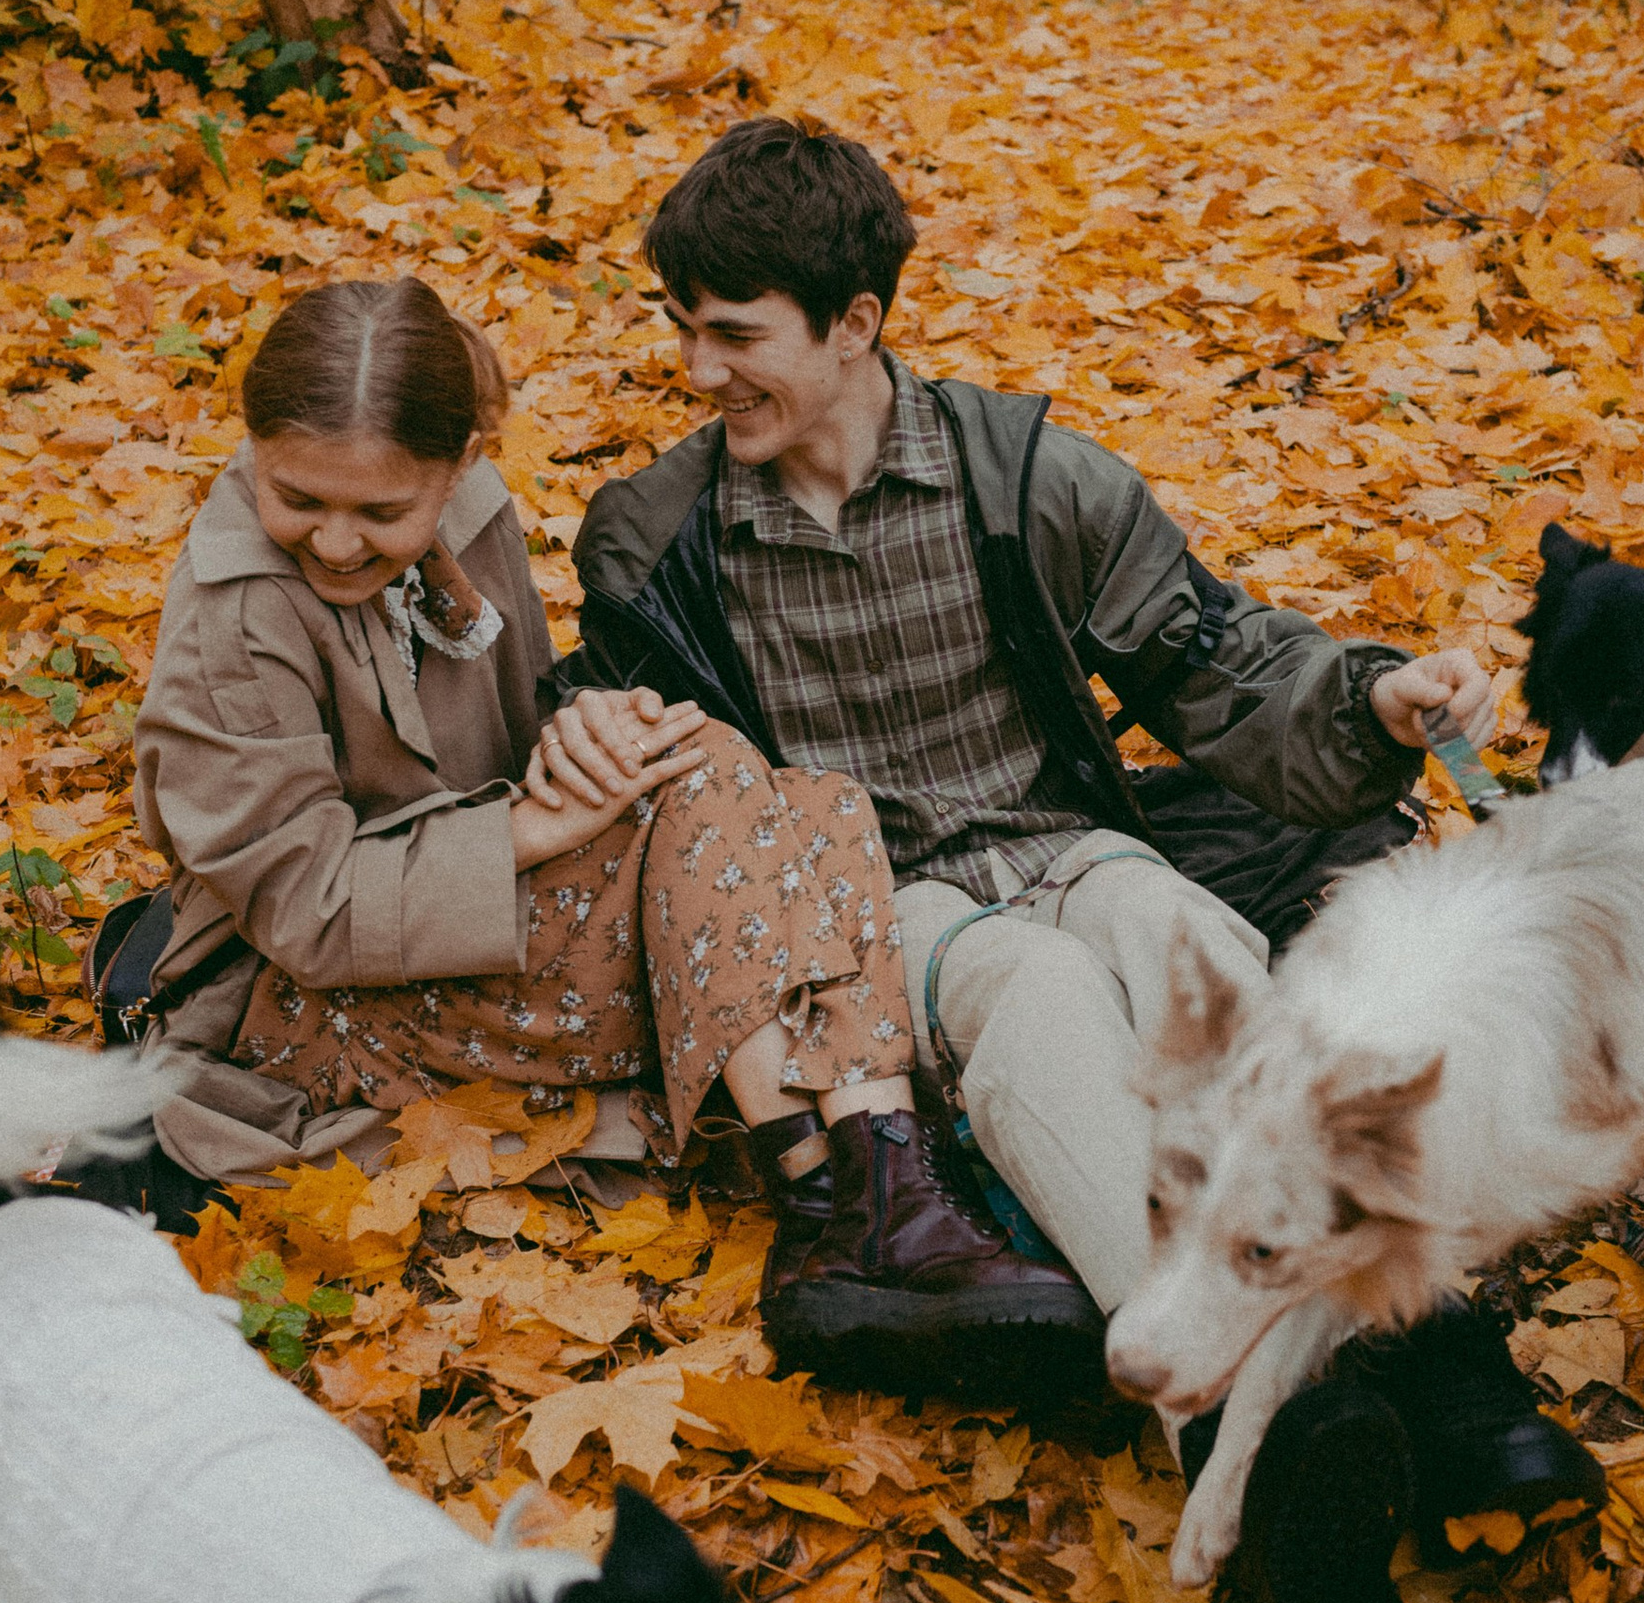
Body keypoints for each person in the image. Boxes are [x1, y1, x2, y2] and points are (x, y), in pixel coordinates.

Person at [548, 120, 1602, 1603]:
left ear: (856, 326)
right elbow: (637, 769)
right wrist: (574, 733)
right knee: (1038, 1000)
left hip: (1064, 837)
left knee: (1191, 948)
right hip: (876, 910)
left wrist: (1368, 698)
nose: (697, 369)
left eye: (735, 335)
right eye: (682, 328)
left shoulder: (1023, 477)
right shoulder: (657, 542)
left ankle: (1443, 1364)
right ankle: (1257, 1432)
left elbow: (1217, 658)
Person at [123, 275, 1095, 1373]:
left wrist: (591, 731)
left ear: (455, 470)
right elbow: (305, 908)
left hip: (471, 933)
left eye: (382, 513)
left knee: (750, 779)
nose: (337, 542)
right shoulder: (237, 619)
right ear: (252, 449)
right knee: (740, 787)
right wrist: (525, 836)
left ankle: (852, 1193)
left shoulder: (470, 518)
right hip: (308, 1005)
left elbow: (513, 725)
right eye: (299, 497)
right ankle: (854, 1195)